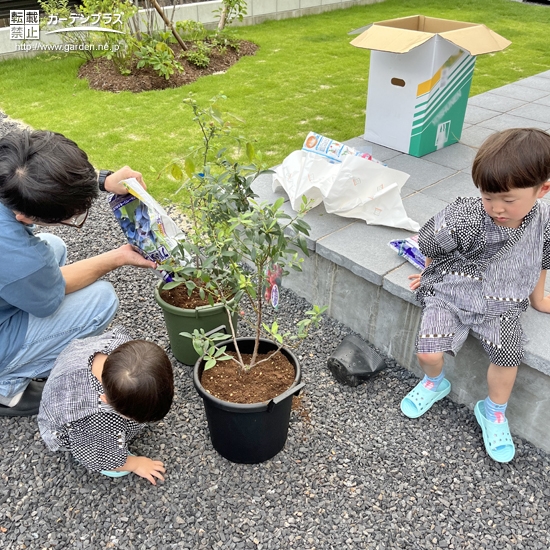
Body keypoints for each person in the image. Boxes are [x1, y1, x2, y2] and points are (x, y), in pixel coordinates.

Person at [401, 128, 550, 463]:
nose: (496, 207)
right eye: (487, 196)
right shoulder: (467, 215)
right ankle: (435, 382)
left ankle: (493, 411)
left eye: (508, 200)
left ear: (543, 189)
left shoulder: (544, 222)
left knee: (506, 356)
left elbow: (543, 259)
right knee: (428, 352)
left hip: (502, 303)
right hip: (452, 292)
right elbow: (431, 243)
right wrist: (428, 274)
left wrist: (538, 300)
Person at [0, 129, 156, 416]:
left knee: (53, 246)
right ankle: (6, 387)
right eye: (72, 216)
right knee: (101, 299)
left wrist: (103, 180)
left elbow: (36, 174)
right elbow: (54, 291)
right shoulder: (17, 254)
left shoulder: (6, 171)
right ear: (23, 215)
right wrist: (117, 257)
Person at [38, 326, 174, 484]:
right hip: (63, 425)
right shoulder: (95, 416)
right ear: (106, 400)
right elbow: (95, 456)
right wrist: (135, 464)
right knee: (104, 451)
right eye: (133, 417)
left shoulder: (122, 347)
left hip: (72, 364)